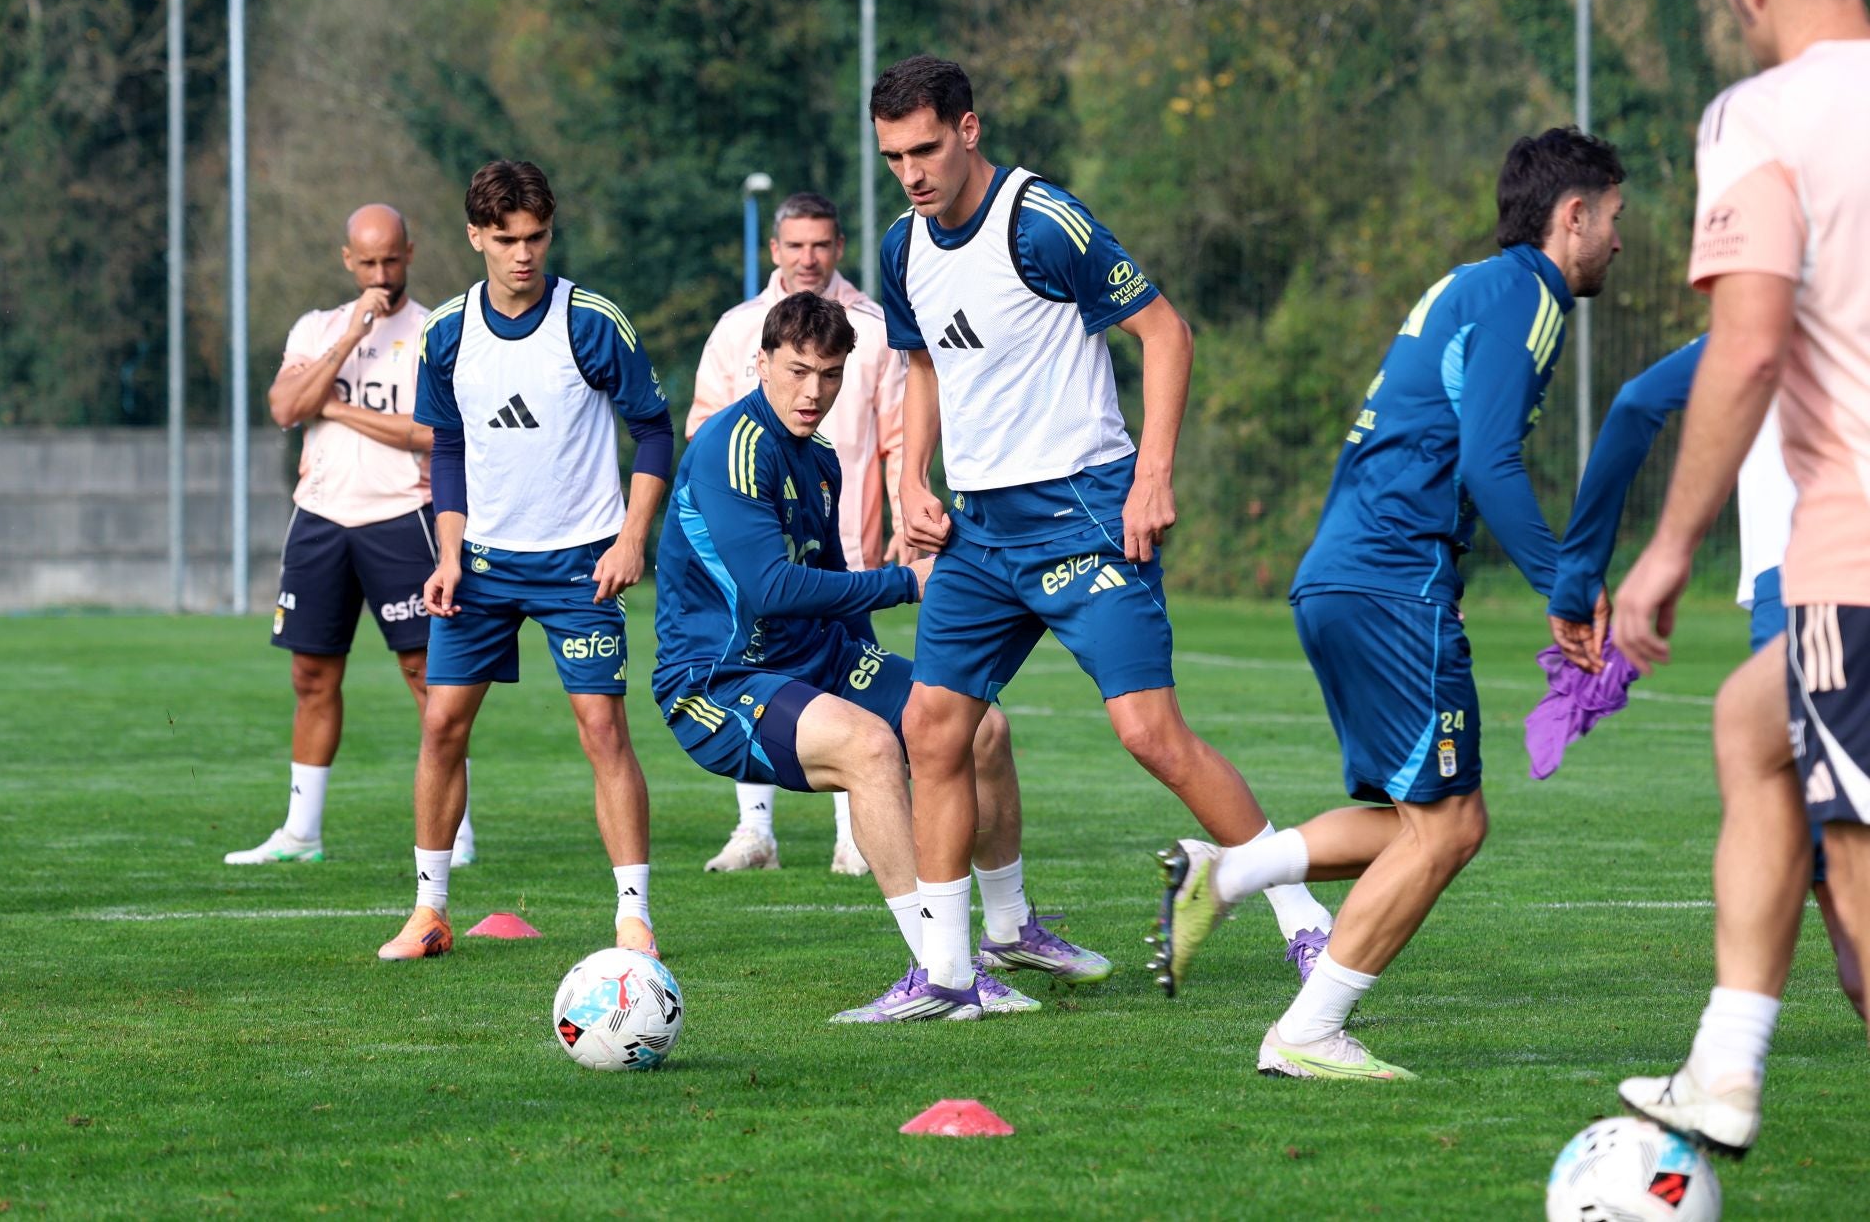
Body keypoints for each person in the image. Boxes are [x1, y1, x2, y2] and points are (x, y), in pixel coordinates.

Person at [868, 54, 1334, 1010]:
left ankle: (1310, 927)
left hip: (1081, 508)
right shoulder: (898, 247)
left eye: (923, 149)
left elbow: (1167, 333)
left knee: (1149, 734)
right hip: (980, 533)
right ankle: (952, 975)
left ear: (968, 129)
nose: (911, 173)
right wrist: (913, 475)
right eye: (891, 157)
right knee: (931, 726)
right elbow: (921, 366)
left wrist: (1151, 475)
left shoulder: (1041, 220)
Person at [1163, 127, 1627, 1079]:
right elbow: (1490, 461)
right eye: (1614, 219)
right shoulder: (1530, 296)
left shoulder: (1470, 285)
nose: (1619, 241)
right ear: (1570, 216)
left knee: (1417, 823)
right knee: (1452, 827)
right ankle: (1306, 1034)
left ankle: (1232, 869)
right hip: (1392, 584)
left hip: (1344, 576)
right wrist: (1567, 587)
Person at [1610, 0, 1870, 1155]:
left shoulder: (1763, 115)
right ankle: (1726, 1064)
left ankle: (1727, 1072)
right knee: (1748, 725)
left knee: (1867, 898)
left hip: (1859, 557)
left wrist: (1664, 550)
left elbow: (1750, 345)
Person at [655, 289, 1111, 1021]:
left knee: (977, 726)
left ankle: (1006, 930)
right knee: (870, 746)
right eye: (799, 369)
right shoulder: (731, 448)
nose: (814, 391)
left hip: (821, 656)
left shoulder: (822, 459)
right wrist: (907, 580)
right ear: (762, 360)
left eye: (831, 374)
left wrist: (885, 666)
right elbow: (770, 587)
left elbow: (834, 581)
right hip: (721, 677)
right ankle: (938, 973)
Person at [376, 161, 673, 961]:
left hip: (580, 563)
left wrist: (630, 536)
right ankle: (429, 910)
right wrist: (446, 555)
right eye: (505, 238)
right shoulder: (446, 333)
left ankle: (633, 916)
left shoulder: (591, 321)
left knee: (602, 728)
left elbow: (652, 429)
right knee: (441, 724)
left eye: (535, 237)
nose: (522, 254)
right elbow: (449, 451)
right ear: (476, 236)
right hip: (479, 566)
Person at [1548, 341, 1862, 1043]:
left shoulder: (1785, 305)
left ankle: (1726, 1064)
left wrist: (1586, 570)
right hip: (1821, 582)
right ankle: (1725, 1064)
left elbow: (1638, 402)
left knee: (1840, 890)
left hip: (1819, 584)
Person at [228, 204, 477, 869]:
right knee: (311, 675)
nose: (380, 273)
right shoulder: (317, 328)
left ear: (410, 253)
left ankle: (458, 827)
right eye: (367, 262)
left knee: (429, 675)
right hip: (319, 519)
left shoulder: (434, 331)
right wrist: (349, 338)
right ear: (347, 260)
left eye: (391, 260)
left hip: (404, 517)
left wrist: (334, 405)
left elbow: (435, 434)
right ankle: (301, 831)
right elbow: (284, 406)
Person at [686, 192, 906, 877]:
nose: (808, 257)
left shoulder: (873, 326)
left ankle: (855, 835)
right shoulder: (738, 328)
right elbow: (702, 425)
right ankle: (755, 830)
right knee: (763, 658)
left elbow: (899, 435)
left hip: (846, 535)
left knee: (886, 693)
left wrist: (905, 526)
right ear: (775, 250)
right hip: (754, 549)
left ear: (837, 248)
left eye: (821, 245)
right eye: (796, 245)